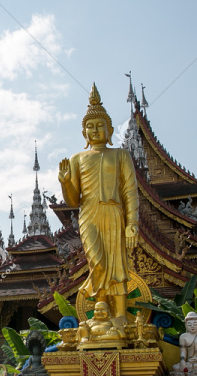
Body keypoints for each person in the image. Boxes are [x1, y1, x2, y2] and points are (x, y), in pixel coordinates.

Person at [58, 83, 139, 321]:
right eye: (90, 127)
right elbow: (73, 200)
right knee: (97, 262)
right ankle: (101, 307)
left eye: (100, 125)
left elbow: (130, 191)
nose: (95, 130)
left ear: (109, 129)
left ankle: (121, 314)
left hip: (114, 212)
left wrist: (132, 223)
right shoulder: (77, 158)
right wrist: (65, 182)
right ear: (84, 133)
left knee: (117, 264)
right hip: (89, 213)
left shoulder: (120, 155)